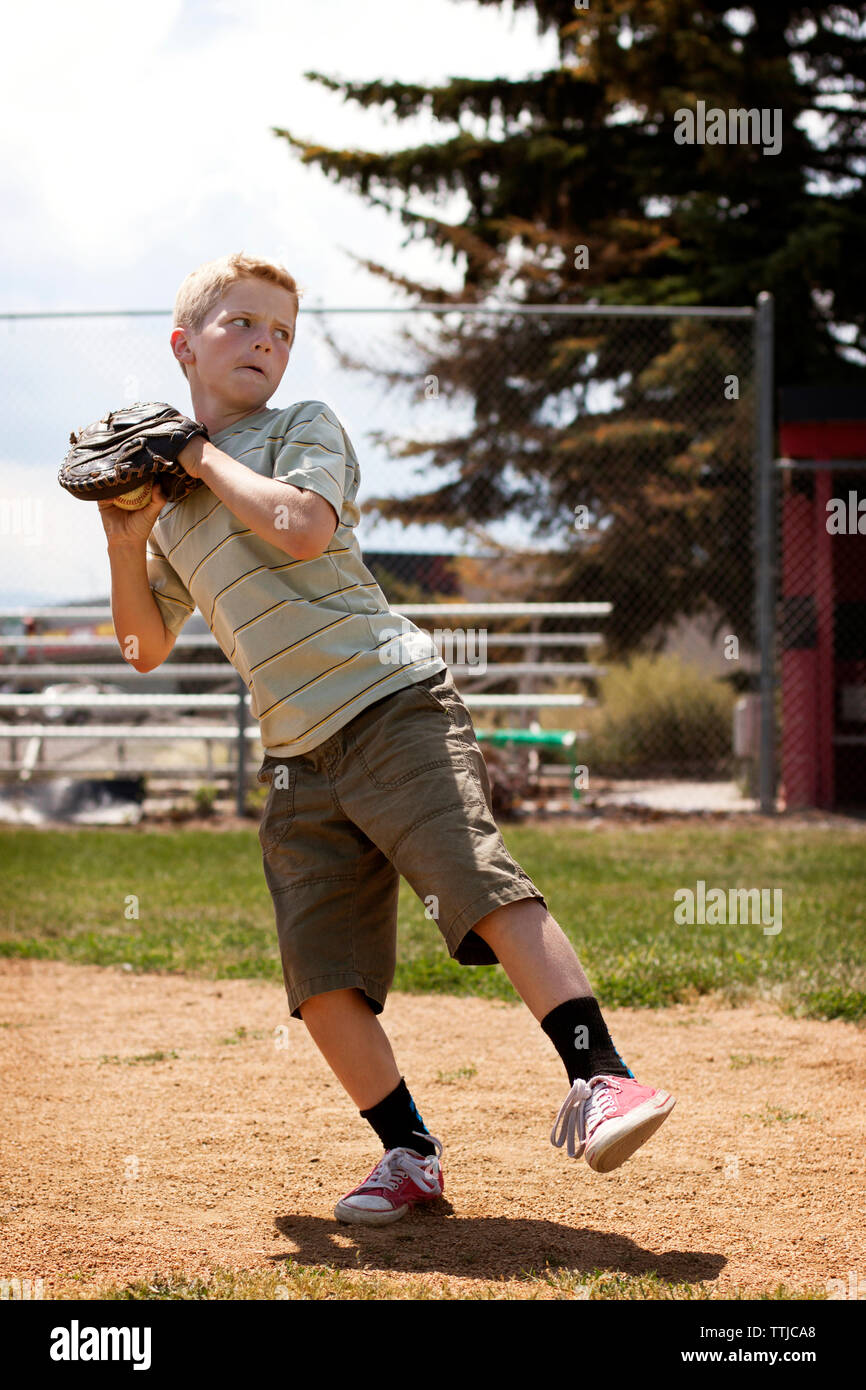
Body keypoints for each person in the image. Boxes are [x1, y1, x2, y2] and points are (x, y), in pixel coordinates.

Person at [99, 251, 675, 1229]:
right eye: (242, 323)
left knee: (474, 878)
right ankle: (407, 1155)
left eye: (281, 330)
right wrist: (124, 531)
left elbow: (300, 527)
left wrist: (195, 454)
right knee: (319, 976)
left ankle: (604, 1079)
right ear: (183, 344)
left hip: (387, 702)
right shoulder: (174, 514)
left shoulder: (297, 429)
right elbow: (140, 646)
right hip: (296, 756)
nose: (266, 343)